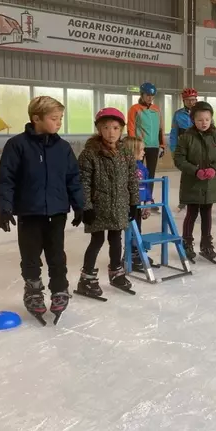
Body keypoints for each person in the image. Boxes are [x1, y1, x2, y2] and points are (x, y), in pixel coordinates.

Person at [0, 96, 84, 325]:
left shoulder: (63, 148)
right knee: (31, 257)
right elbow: (6, 179)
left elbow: (73, 178)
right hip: (29, 213)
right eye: (54, 118)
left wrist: (80, 206)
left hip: (56, 213)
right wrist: (5, 208)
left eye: (60, 118)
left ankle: (60, 290)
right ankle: (33, 291)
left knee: (57, 255)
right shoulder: (17, 145)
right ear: (36, 118)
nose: (59, 123)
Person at [76, 108, 139, 299]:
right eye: (106, 128)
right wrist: (85, 207)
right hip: (98, 206)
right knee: (97, 240)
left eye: (115, 128)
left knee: (116, 239)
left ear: (121, 130)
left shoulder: (126, 153)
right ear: (98, 129)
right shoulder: (89, 154)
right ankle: (86, 277)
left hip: (119, 205)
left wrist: (133, 203)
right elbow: (83, 182)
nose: (111, 132)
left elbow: (132, 180)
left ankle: (116, 273)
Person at [174, 101, 216, 263]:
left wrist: (214, 169)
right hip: (193, 183)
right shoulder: (186, 138)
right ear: (193, 120)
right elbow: (179, 159)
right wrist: (195, 171)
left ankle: (206, 244)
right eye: (199, 120)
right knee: (192, 213)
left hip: (211, 183)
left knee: (207, 213)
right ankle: (187, 243)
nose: (203, 123)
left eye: (207, 119)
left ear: (211, 119)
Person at [127, 82, 164, 210]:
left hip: (153, 146)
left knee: (150, 174)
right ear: (142, 95)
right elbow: (130, 127)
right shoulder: (134, 109)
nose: (150, 98)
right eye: (148, 95)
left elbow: (160, 128)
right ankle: (136, 196)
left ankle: (149, 199)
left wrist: (162, 145)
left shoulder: (156, 109)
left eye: (152, 95)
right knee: (137, 173)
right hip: (140, 146)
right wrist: (133, 145)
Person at [124, 136, 155, 270]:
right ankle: (129, 255)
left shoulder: (142, 168)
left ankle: (136, 254)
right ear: (132, 151)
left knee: (138, 229)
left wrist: (148, 202)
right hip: (127, 205)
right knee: (130, 231)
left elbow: (146, 186)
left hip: (138, 204)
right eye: (141, 150)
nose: (144, 152)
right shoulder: (124, 167)